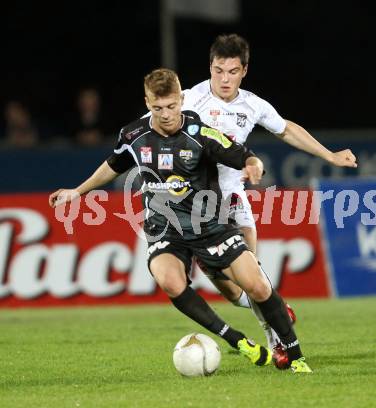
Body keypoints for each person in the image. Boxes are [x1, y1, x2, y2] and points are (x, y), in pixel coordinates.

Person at [49, 68, 312, 373]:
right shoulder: (133, 135)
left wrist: (254, 166)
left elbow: (244, 155)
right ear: (147, 102)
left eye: (172, 106)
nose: (165, 114)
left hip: (208, 225)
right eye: (157, 108)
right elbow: (113, 164)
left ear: (181, 99)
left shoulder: (199, 133)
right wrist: (78, 191)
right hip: (165, 228)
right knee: (170, 281)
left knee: (257, 287)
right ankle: (237, 340)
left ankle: (296, 355)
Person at [179, 34, 358, 358]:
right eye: (218, 70)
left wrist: (329, 155)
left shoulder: (253, 105)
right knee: (233, 294)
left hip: (232, 196)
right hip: (195, 205)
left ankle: (277, 342)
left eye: (232, 71)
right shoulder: (190, 100)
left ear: (244, 70)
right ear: (210, 67)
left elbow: (286, 129)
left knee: (254, 277)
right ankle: (276, 306)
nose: (224, 79)